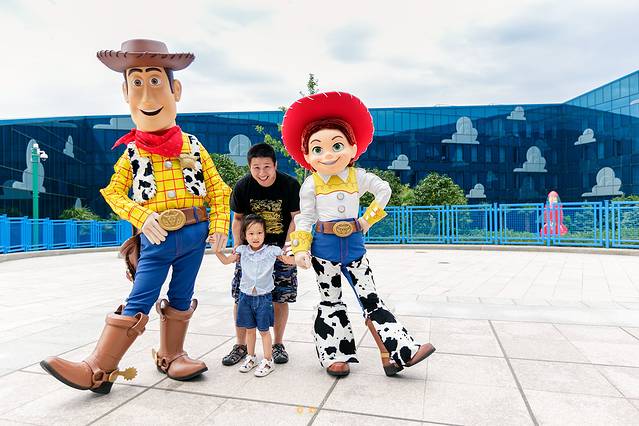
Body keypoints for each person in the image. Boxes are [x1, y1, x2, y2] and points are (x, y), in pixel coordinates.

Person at [39, 39, 231, 394]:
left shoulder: (192, 144)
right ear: (126, 93)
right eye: (137, 84)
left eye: (155, 81)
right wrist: (141, 217)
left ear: (175, 90)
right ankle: (99, 369)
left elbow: (218, 189)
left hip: (194, 235)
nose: (147, 95)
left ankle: (172, 355)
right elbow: (112, 192)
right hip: (156, 239)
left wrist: (219, 226)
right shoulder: (132, 152)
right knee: (140, 297)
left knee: (182, 294)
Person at [282, 91, 436, 377]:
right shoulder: (311, 184)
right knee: (331, 300)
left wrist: (367, 220)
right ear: (307, 156)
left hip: (354, 247)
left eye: (337, 145)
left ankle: (398, 353)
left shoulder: (358, 176)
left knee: (372, 300)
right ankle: (334, 355)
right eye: (317, 149)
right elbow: (306, 218)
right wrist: (300, 249)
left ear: (353, 148)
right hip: (324, 250)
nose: (328, 154)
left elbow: (384, 190)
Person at [222, 143, 301, 366]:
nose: (262, 172)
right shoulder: (242, 186)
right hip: (250, 252)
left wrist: (289, 248)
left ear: (275, 164)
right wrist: (238, 248)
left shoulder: (290, 185)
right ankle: (240, 345)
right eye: (256, 168)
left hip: (280, 250)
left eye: (267, 166)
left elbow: (295, 218)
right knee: (241, 296)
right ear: (249, 167)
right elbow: (238, 219)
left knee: (280, 297)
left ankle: (278, 344)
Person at [216, 214, 295, 377]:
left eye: (259, 233)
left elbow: (289, 260)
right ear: (244, 235)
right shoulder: (242, 251)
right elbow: (226, 261)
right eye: (251, 233)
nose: (255, 237)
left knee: (264, 331)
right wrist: (217, 250)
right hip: (245, 297)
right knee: (249, 330)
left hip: (264, 298)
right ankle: (251, 357)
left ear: (265, 234)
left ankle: (268, 360)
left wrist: (302, 255)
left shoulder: (272, 251)